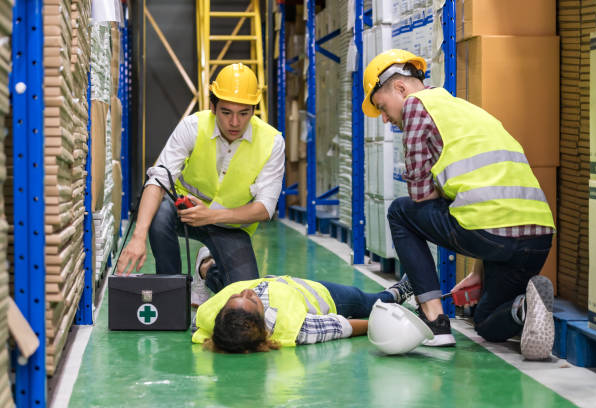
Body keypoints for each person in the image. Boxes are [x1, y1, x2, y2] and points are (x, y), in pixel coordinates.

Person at [361, 49, 556, 360]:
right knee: (486, 321)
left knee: (400, 212)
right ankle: (524, 307)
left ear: (400, 88)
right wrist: (479, 270)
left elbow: (421, 195)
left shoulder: (415, 106)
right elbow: (483, 191)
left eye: (382, 108)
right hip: (538, 237)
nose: (385, 119)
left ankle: (435, 320)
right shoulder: (464, 110)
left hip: (488, 231)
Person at [116, 63, 285, 307]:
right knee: (160, 214)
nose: (235, 122)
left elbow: (264, 209)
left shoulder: (272, 142)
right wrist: (138, 237)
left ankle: (206, 269)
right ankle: (171, 291)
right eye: (226, 112)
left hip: (231, 225)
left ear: (254, 110)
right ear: (212, 106)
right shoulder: (192, 127)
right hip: (183, 214)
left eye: (244, 113)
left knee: (244, 293)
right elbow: (158, 179)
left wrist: (212, 215)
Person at [191, 275, 413, 353]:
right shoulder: (296, 329)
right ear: (263, 324)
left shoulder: (210, 318)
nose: (247, 292)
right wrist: (378, 322)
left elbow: (197, 326)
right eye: (251, 301)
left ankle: (207, 266)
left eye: (236, 297)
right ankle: (396, 293)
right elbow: (342, 326)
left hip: (280, 281)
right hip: (318, 294)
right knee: (365, 302)